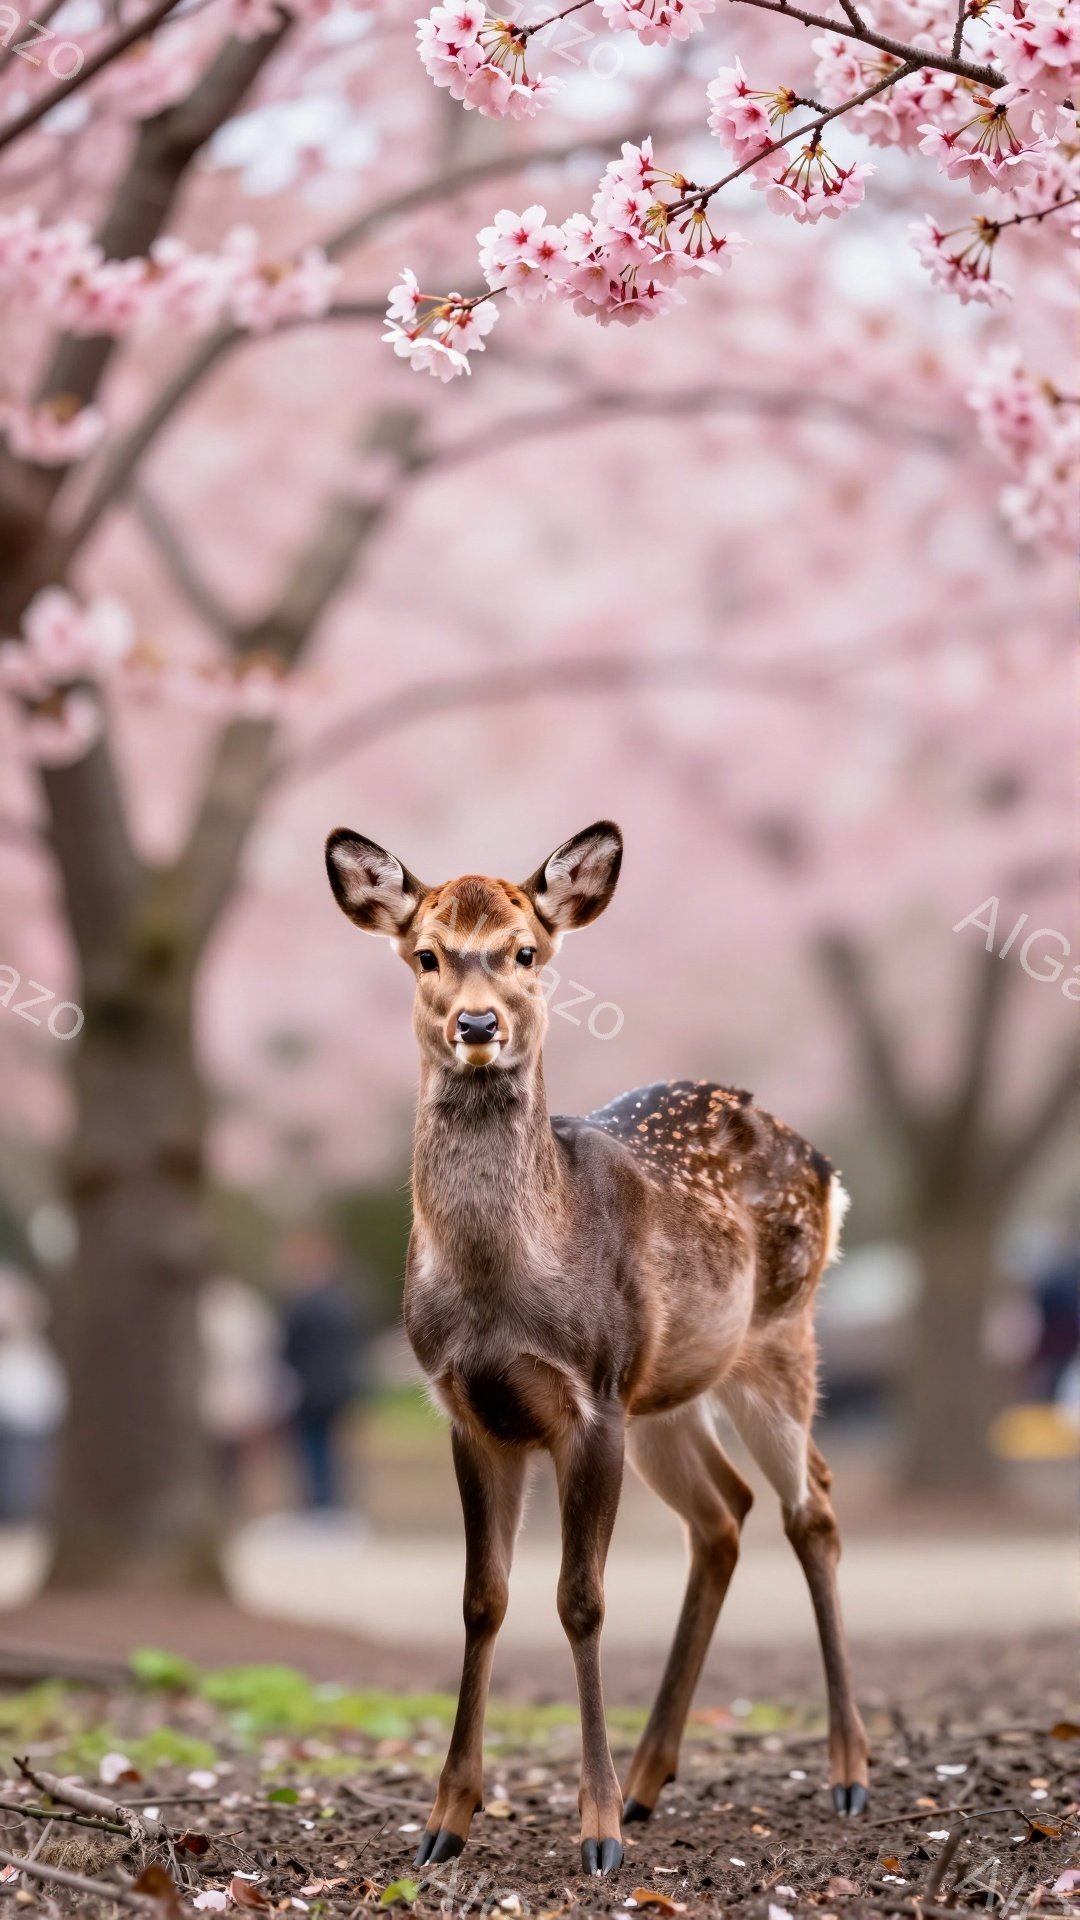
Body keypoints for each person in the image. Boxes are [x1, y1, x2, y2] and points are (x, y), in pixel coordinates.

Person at [278, 1225, 371, 1513]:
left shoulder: (306, 1302)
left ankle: (320, 1505)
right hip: (340, 1385)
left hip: (312, 1387)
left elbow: (290, 1346)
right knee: (333, 1450)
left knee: (313, 1448)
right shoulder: (347, 1297)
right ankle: (333, 1504)